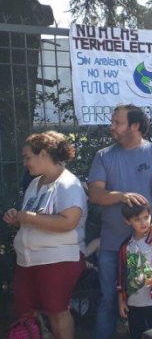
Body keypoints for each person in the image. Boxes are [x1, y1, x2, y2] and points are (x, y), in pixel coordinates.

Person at [88, 104, 152, 339]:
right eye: (113, 122)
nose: (112, 127)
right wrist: (120, 196)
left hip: (151, 245)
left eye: (117, 123)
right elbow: (95, 194)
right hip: (112, 246)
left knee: (151, 302)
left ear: (135, 126)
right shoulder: (103, 156)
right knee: (110, 300)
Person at [3, 131, 87, 339]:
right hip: (28, 260)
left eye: (27, 157)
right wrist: (17, 218)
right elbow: (33, 218)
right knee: (26, 314)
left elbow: (69, 221)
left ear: (44, 154)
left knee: (57, 312)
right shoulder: (34, 183)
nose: (25, 163)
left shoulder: (68, 183)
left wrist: (28, 217)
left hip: (58, 259)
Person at [117, 202, 152, 339]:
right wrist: (121, 300)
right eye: (137, 219)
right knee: (136, 335)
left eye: (146, 217)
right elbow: (121, 275)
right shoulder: (125, 246)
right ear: (127, 221)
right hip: (133, 302)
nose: (143, 222)